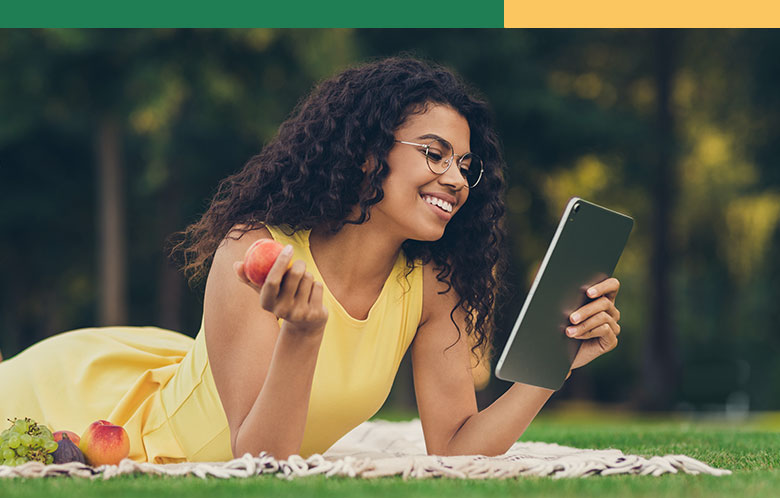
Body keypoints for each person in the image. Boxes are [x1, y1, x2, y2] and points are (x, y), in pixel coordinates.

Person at [0, 57, 622, 464]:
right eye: (434, 154)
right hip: (103, 421)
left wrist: (552, 365)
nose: (456, 179)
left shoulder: (432, 285)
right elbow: (259, 463)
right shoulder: (254, 250)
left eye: (465, 164)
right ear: (366, 153)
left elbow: (457, 452)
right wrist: (302, 335)